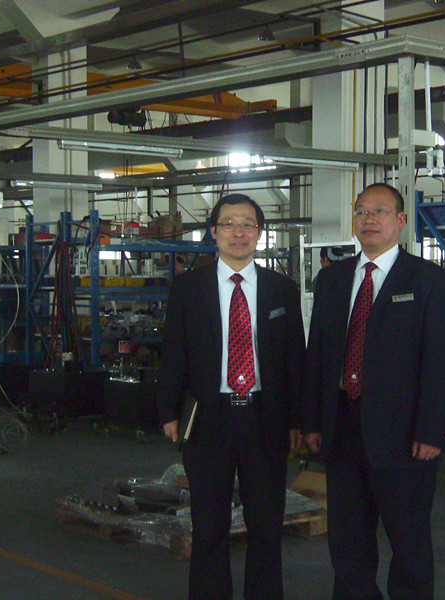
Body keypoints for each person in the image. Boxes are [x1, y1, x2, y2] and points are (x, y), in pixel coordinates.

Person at [303, 182, 445, 600]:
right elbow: (318, 355)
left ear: (401, 220)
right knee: (347, 539)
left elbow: (440, 363)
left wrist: (431, 431)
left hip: (404, 435)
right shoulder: (332, 280)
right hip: (343, 428)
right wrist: (313, 421)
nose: (369, 220)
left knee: (408, 539)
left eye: (379, 211)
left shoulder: (428, 280)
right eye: (361, 212)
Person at [156, 193, 305, 600]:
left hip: (265, 417)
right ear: (213, 232)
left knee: (266, 526)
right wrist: (168, 410)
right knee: (208, 526)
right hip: (209, 417)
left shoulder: (282, 289)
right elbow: (174, 353)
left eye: (247, 225)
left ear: (259, 232)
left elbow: (295, 358)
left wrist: (297, 419)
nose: (238, 233)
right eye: (228, 224)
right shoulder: (188, 288)